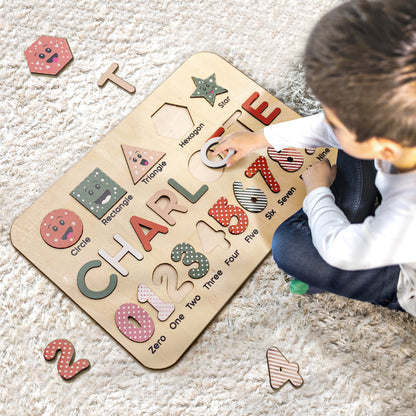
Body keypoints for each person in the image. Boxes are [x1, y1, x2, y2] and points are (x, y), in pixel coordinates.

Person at [213, 0, 416, 315]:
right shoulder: (399, 123)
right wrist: (258, 139)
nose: (325, 118)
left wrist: (317, 191)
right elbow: (333, 129)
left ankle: (329, 262)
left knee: (291, 248)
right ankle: (347, 213)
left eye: (333, 118)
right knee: (350, 149)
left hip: (404, 275)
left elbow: (341, 251)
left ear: (385, 145)